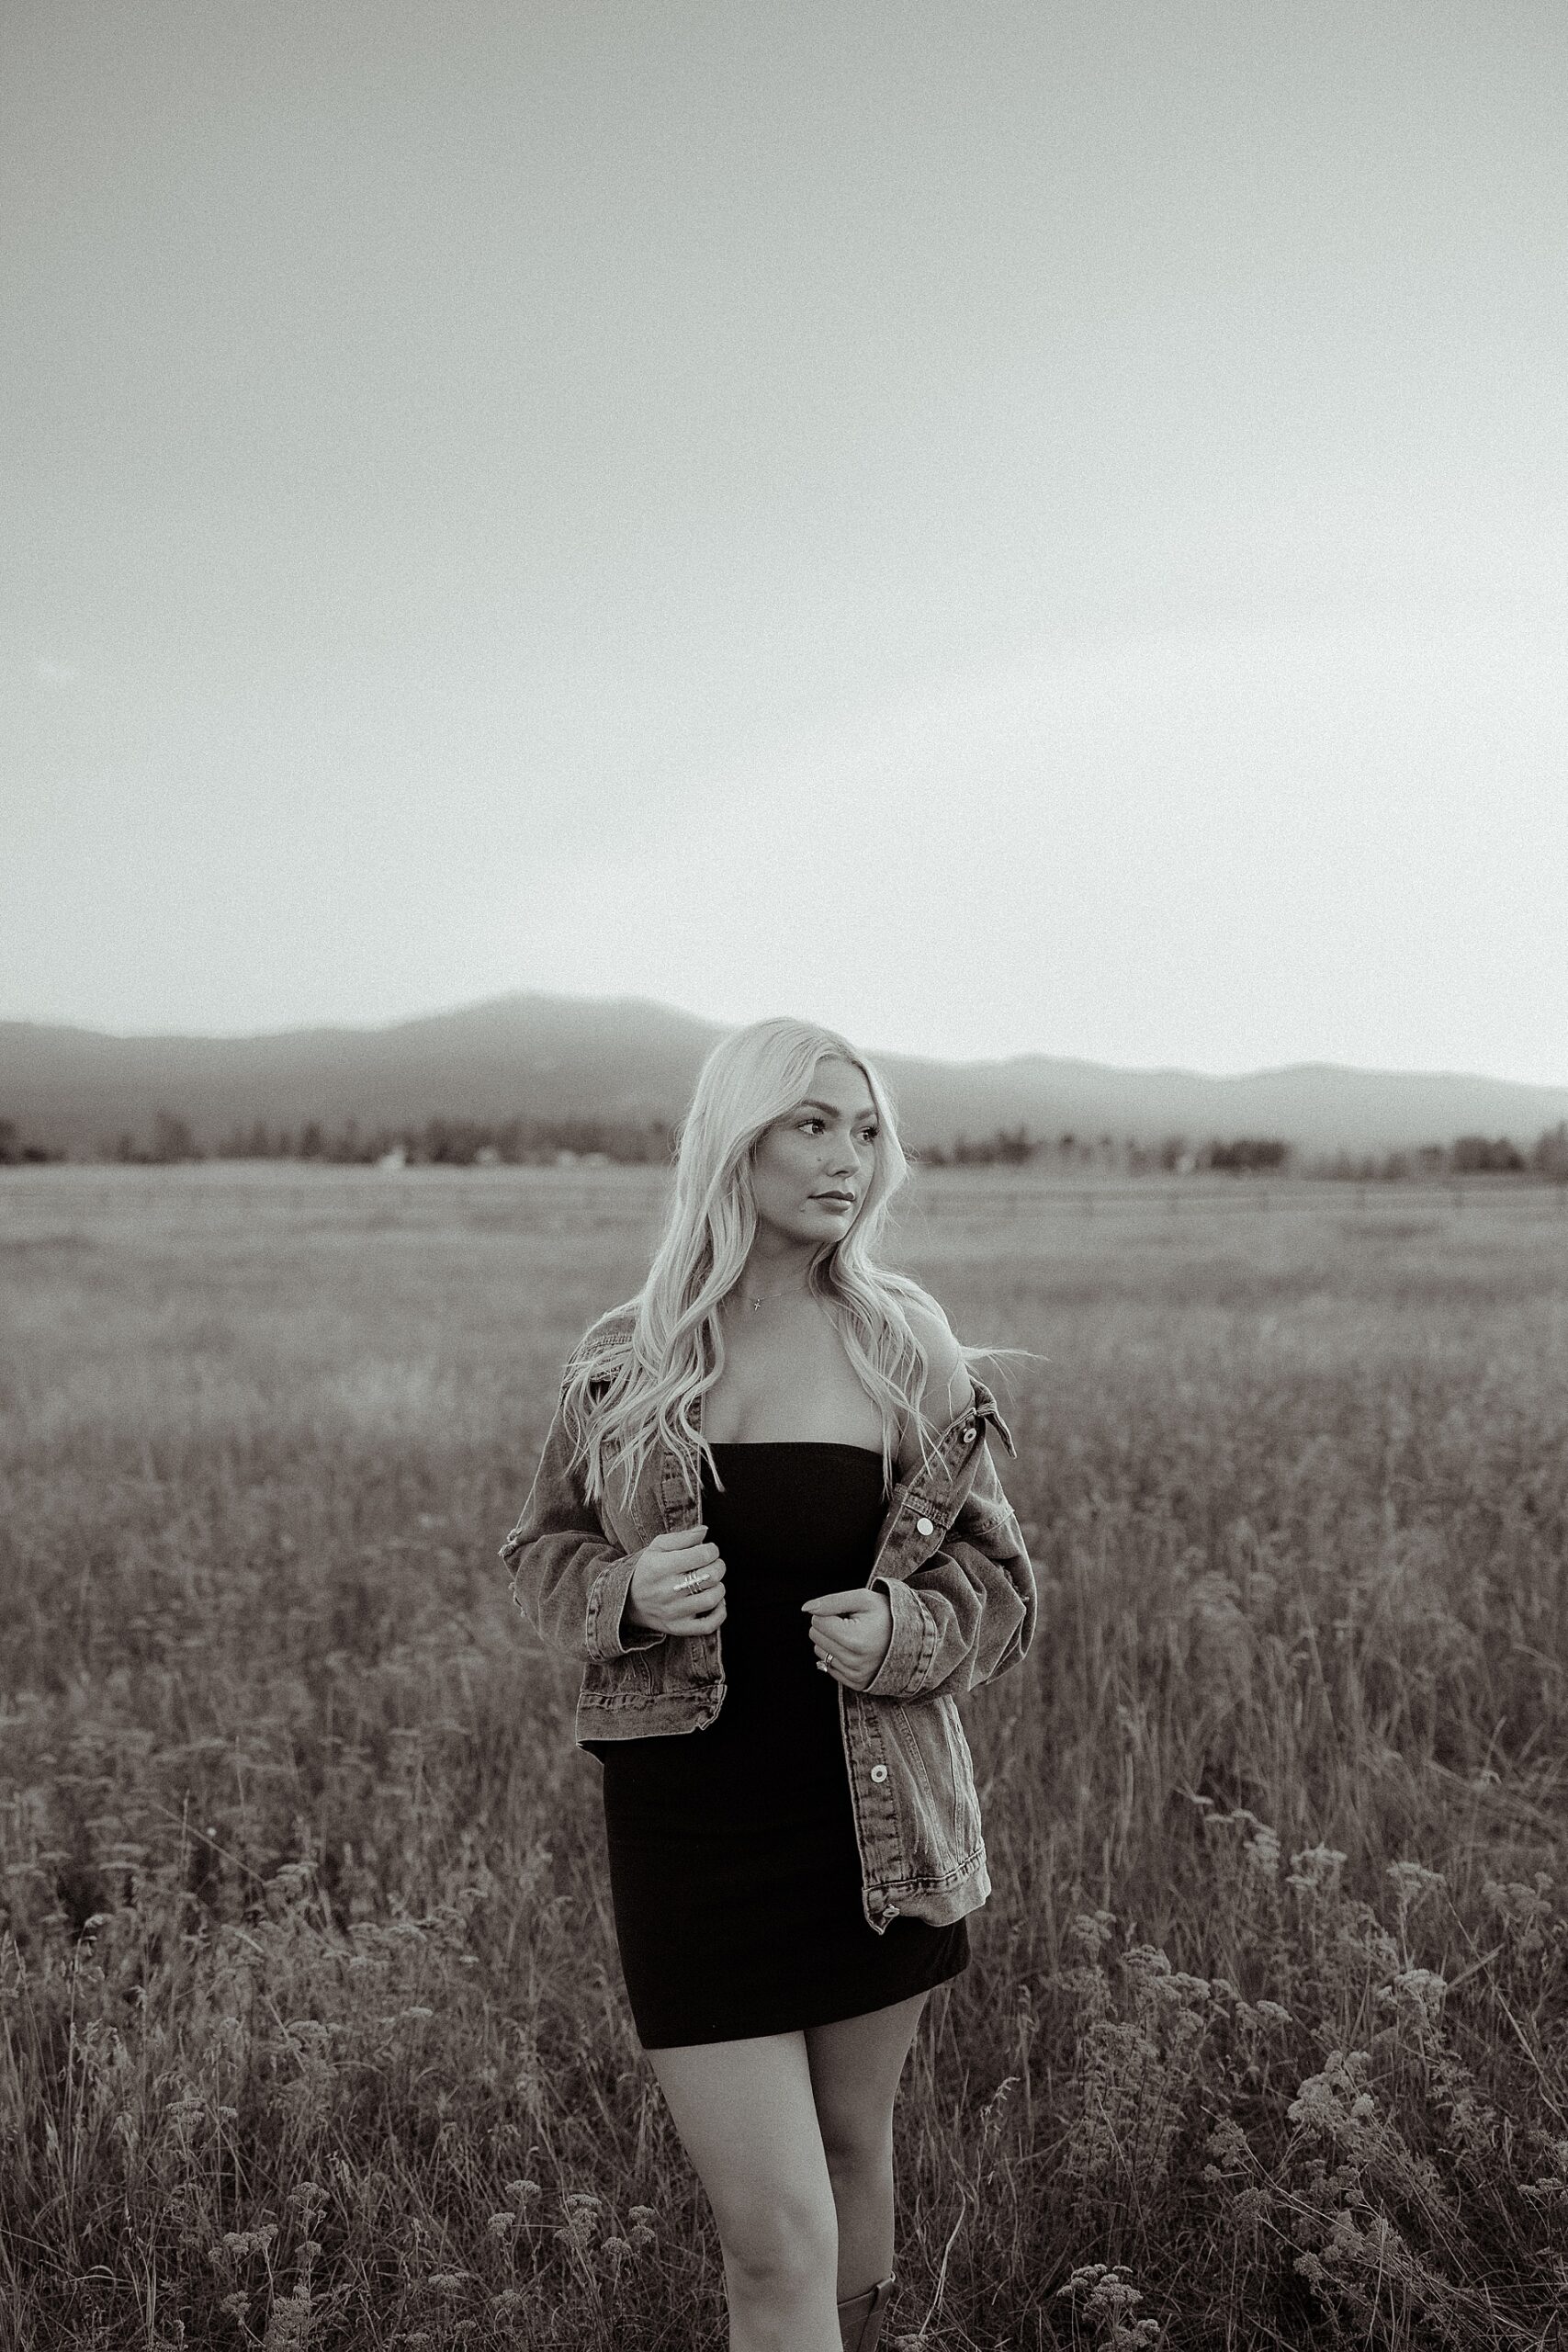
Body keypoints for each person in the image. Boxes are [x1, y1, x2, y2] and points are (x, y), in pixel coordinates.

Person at [501, 1017, 1037, 2352]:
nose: (846, 1158)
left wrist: (908, 1632)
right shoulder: (627, 1359)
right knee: (773, 2236)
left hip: (876, 1834)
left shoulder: (908, 1348)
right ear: (734, 1143)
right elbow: (542, 1547)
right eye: (811, 1125)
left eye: (864, 1131)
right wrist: (621, 1595)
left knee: (856, 2157)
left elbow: (1002, 1582)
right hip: (692, 1845)